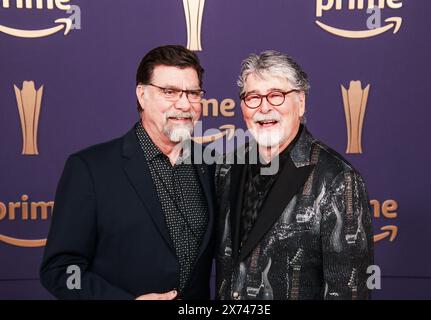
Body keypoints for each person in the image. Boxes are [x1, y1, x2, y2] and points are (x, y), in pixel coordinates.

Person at [40, 45, 215, 300]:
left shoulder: (210, 166)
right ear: (142, 95)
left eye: (193, 93)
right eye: (170, 92)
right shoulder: (90, 169)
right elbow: (62, 270)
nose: (184, 104)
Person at [215, 50, 374, 300]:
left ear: (300, 102)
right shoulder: (226, 167)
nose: (264, 108)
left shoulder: (338, 178)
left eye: (276, 96)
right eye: (253, 97)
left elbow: (349, 291)